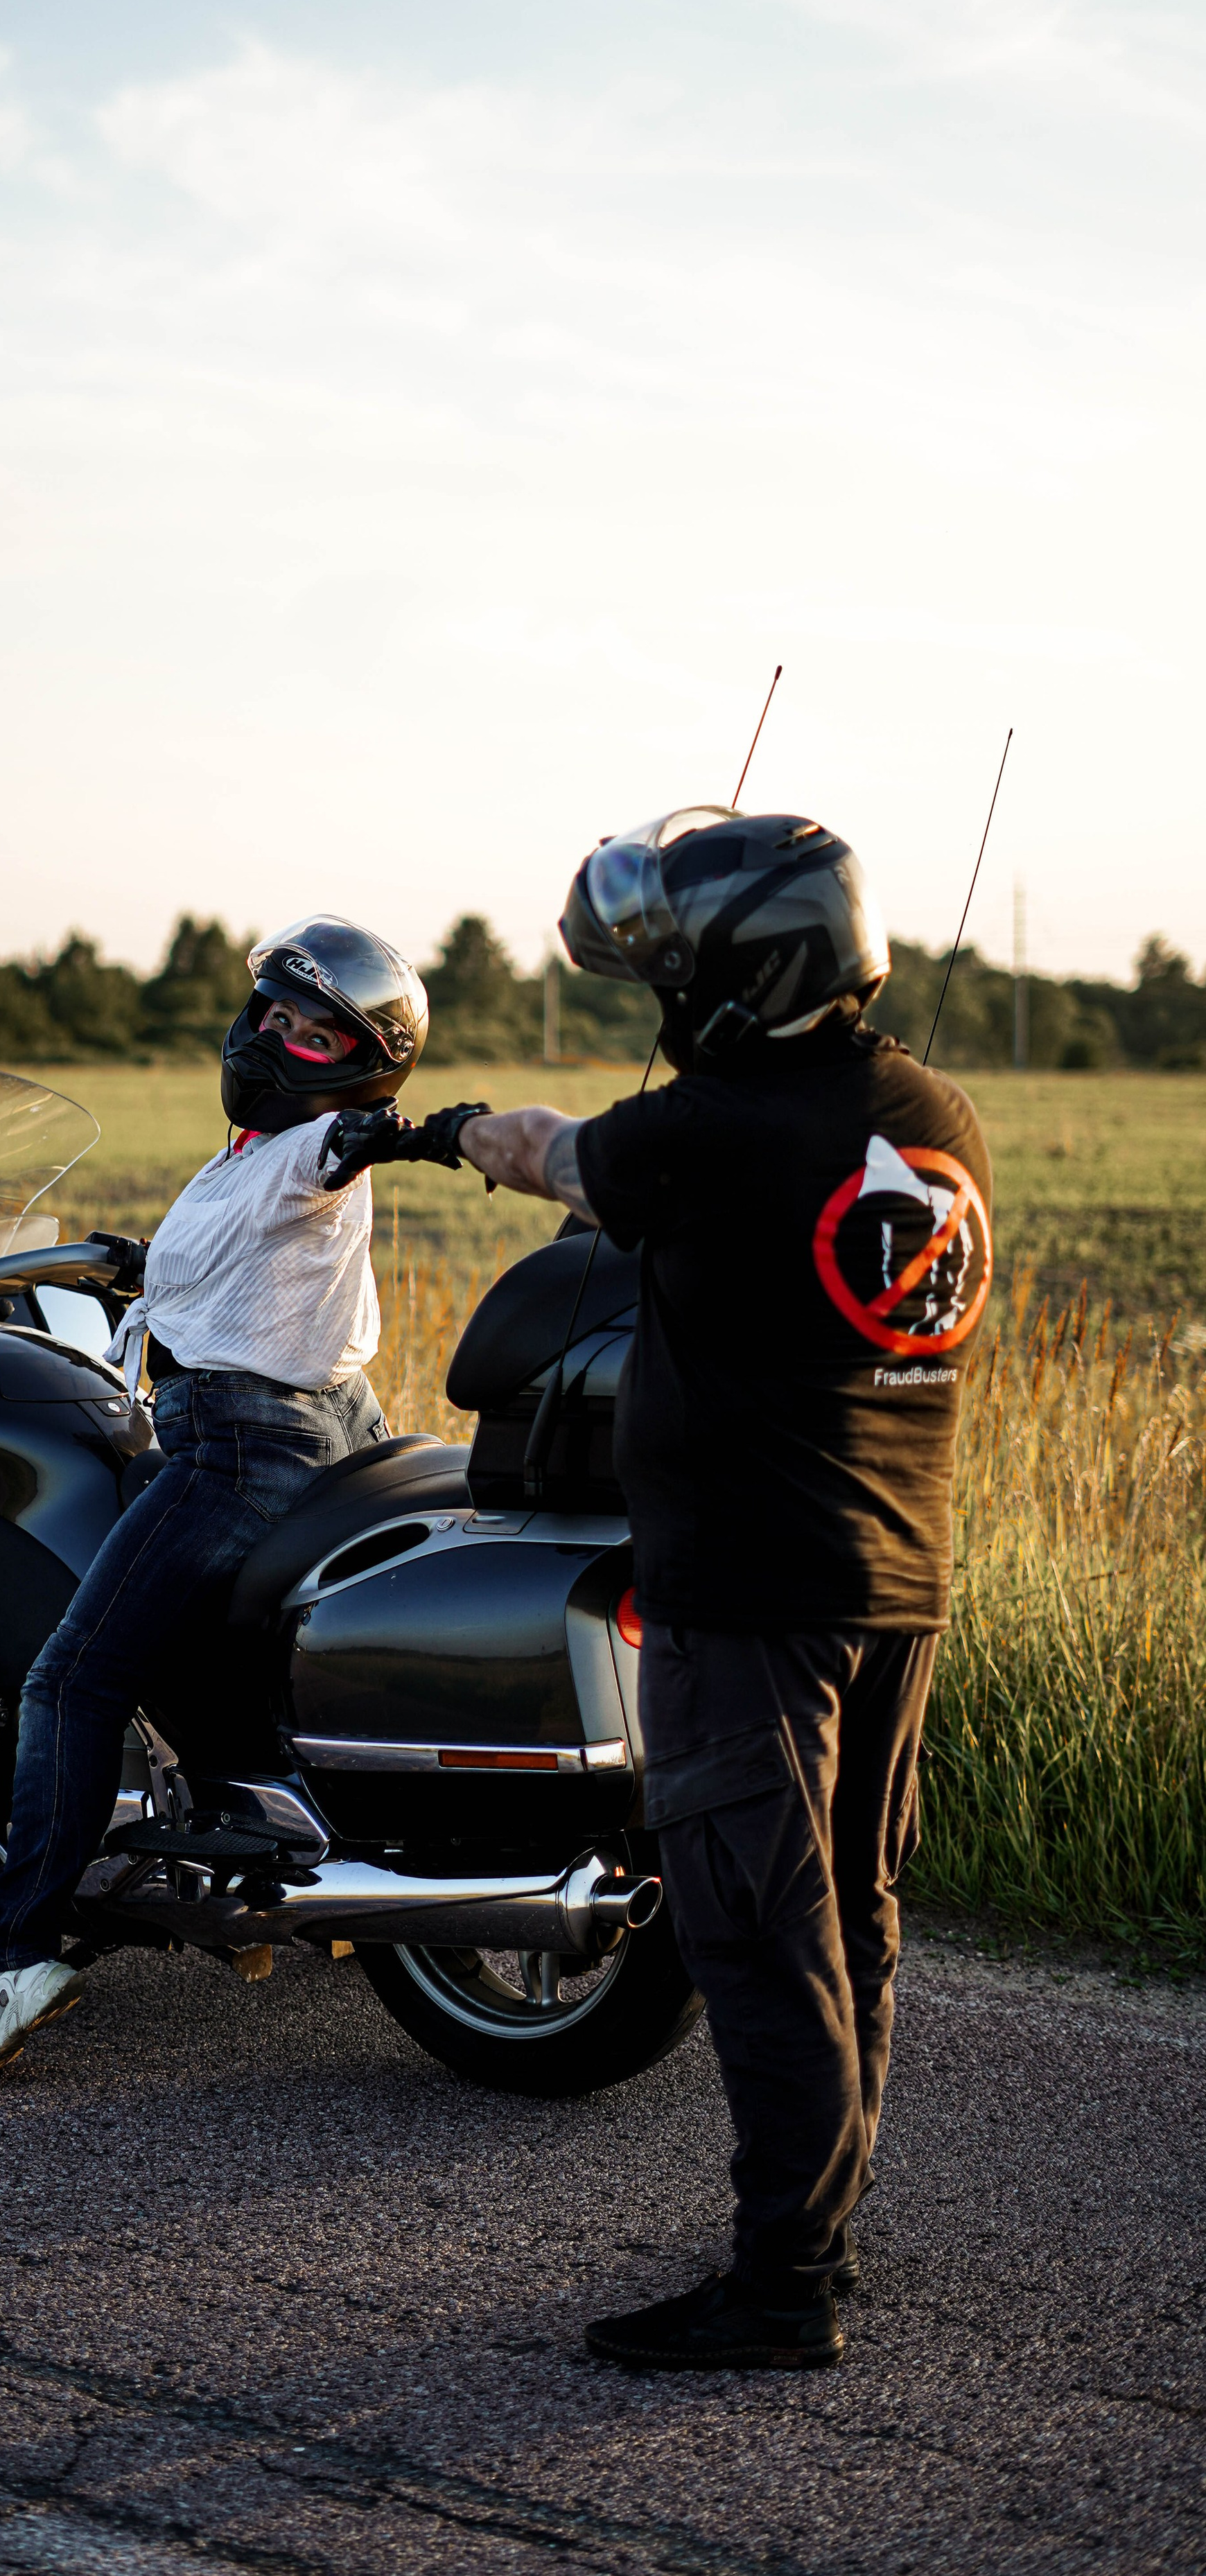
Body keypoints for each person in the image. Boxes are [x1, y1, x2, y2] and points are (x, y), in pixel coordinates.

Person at [324, 807, 993, 2371]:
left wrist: (480, 1131)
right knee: (851, 1915)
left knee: (755, 1932)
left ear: (742, 975)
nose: (662, 1009)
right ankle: (817, 2235)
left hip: (747, 1594)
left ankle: (777, 2294)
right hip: (895, 1580)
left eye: (671, 979)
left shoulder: (706, 1129)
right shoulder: (928, 1108)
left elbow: (556, 1159)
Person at [0, 914, 428, 2084]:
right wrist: (111, 1259)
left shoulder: (312, 1146)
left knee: (72, 1675)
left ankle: (9, 1959)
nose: (280, 1040)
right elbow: (234, 1252)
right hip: (322, 1427)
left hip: (243, 1446)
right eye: (274, 1015)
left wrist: (392, 1137)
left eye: (316, 1036)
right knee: (207, 1661)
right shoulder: (252, 1153)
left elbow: (333, 1158)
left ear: (357, 1069)